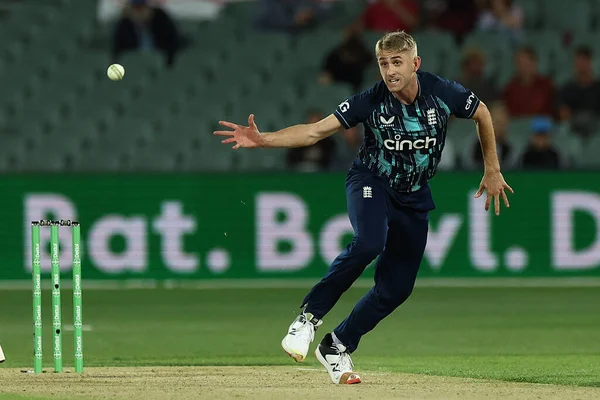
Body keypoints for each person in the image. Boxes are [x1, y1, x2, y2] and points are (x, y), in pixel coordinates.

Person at [214, 31, 513, 385]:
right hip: (371, 182)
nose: (389, 71)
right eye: (384, 63)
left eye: (397, 62)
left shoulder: (442, 92)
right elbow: (314, 132)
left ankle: (336, 345)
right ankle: (308, 319)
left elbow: (482, 113)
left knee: (397, 288)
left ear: (415, 64)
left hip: (414, 195)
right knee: (370, 241)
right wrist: (265, 140)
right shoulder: (370, 101)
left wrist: (492, 168)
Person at [111, 0, 181, 68]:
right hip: (134, 67)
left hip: (159, 66)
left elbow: (173, 43)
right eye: (136, 9)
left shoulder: (161, 20)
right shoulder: (124, 25)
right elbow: (117, 50)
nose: (140, 13)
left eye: (142, 8)